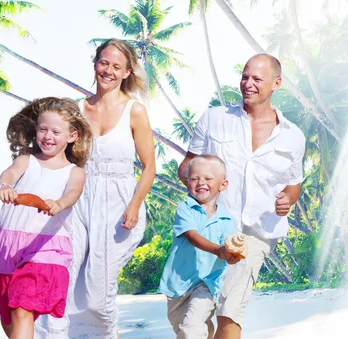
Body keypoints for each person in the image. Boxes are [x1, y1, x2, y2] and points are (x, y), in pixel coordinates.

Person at [178, 54, 306, 339]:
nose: (248, 84)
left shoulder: (293, 136)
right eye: (245, 76)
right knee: (191, 317)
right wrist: (199, 181)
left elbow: (294, 183)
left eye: (257, 79)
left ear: (276, 84)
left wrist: (288, 199)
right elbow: (185, 166)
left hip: (255, 233)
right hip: (208, 228)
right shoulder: (214, 119)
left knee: (230, 309)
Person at [35, 38, 156, 339]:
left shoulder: (135, 111)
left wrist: (135, 204)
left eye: (117, 66)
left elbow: (149, 166)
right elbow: (58, 156)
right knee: (64, 274)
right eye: (104, 63)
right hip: (78, 200)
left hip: (119, 204)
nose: (109, 71)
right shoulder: (76, 109)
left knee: (98, 291)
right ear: (95, 64)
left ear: (127, 72)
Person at [0, 97, 92, 339]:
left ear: (72, 136)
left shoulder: (75, 172)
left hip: (47, 248)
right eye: (43, 129)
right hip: (10, 245)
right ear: (36, 130)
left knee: (22, 309)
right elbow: (9, 173)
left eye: (56, 131)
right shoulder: (27, 160)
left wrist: (59, 204)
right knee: (10, 320)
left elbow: (72, 194)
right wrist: (5, 186)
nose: (48, 136)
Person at [158, 154, 237, 339]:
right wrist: (219, 250)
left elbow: (229, 249)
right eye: (194, 178)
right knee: (183, 328)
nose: (201, 182)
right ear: (187, 182)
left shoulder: (226, 219)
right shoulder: (185, 208)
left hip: (207, 284)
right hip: (178, 284)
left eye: (208, 178)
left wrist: (232, 255)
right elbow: (192, 236)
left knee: (190, 329)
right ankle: (207, 332)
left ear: (222, 185)